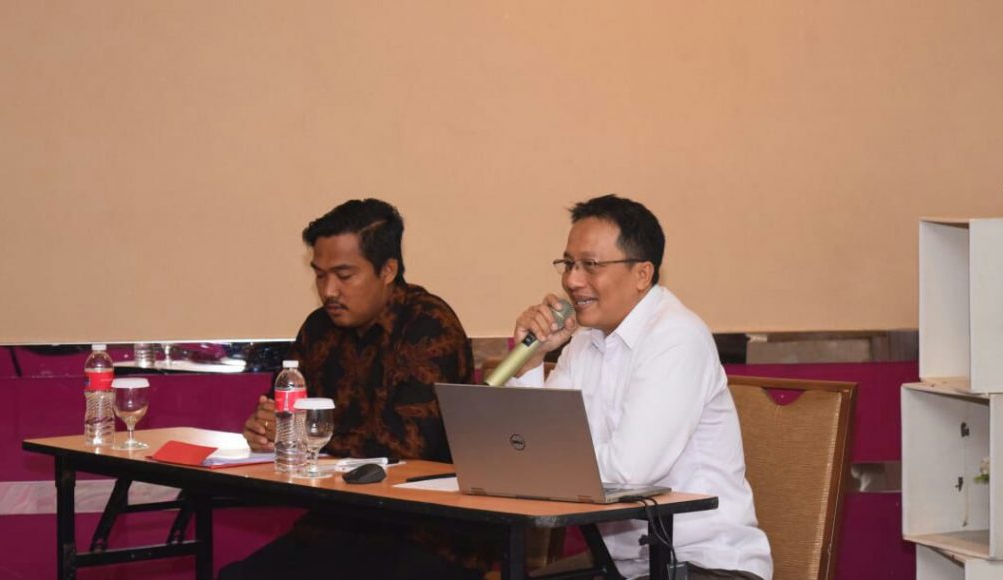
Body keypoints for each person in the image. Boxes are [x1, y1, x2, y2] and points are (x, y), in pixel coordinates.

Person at [221, 199, 490, 580]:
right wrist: (265, 430)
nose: (329, 290)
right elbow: (285, 415)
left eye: (344, 276)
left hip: (428, 532)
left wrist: (304, 433)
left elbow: (406, 445)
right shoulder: (318, 329)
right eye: (320, 276)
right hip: (340, 524)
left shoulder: (428, 325)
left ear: (388, 270)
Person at [507, 195, 772, 580]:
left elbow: (629, 474)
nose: (572, 281)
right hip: (623, 566)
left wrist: (544, 458)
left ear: (642, 274)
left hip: (703, 564)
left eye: (590, 265)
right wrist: (531, 362)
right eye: (568, 264)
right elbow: (521, 450)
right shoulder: (584, 341)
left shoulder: (676, 338)